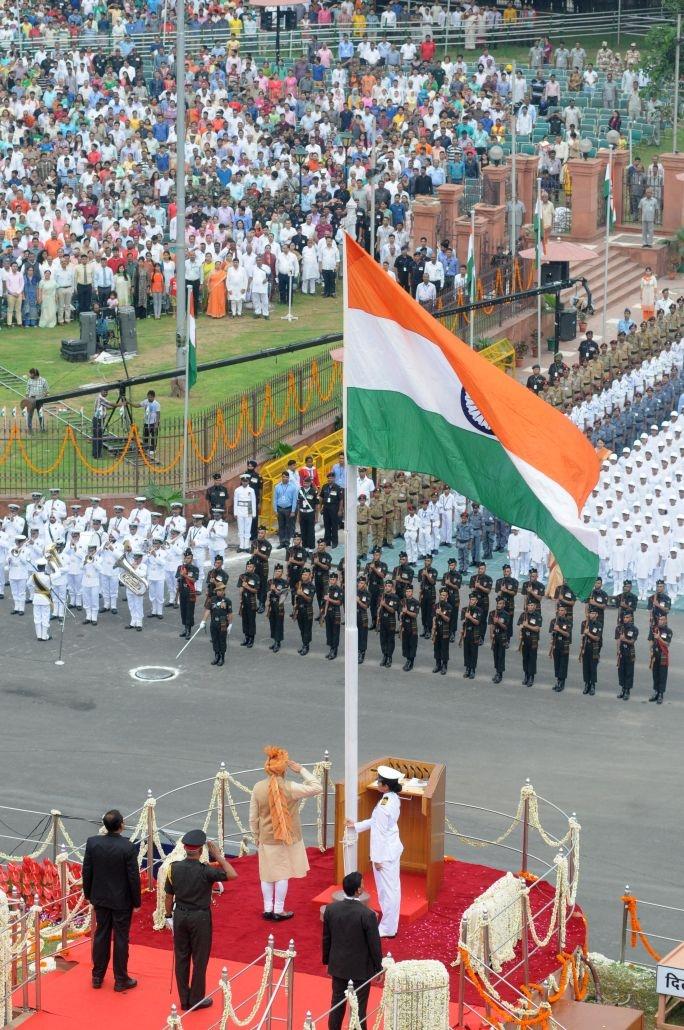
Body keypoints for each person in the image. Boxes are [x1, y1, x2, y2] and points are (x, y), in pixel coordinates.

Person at [164, 829, 237, 1011]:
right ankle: (196, 999)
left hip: (180, 915)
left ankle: (184, 999)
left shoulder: (173, 868)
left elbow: (168, 896)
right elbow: (232, 874)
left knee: (181, 957)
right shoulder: (206, 871)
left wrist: (168, 916)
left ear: (185, 848)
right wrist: (218, 856)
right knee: (200, 958)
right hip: (200, 917)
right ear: (201, 850)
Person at [249, 747, 323, 920]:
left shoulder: (258, 787)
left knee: (267, 874)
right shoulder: (291, 787)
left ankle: (267, 908)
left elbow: (253, 817)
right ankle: (278, 909)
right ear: (284, 769)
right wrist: (301, 770)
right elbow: (317, 786)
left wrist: (256, 836)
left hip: (266, 837)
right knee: (282, 873)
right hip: (287, 836)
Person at [82, 809, 141, 992]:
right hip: (122, 901)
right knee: (121, 938)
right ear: (121, 825)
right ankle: (121, 979)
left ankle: (97, 976)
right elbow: (133, 877)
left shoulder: (93, 843)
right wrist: (137, 901)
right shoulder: (128, 847)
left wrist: (88, 894)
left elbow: (87, 871)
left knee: (101, 935)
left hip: (100, 898)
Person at [347, 765, 404, 939]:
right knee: (393, 888)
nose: (377, 782)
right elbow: (375, 822)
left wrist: (376, 858)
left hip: (384, 854)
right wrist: (356, 826)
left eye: (379, 781)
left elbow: (379, 833)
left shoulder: (384, 805)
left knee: (387, 891)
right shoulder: (392, 798)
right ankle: (390, 924)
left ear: (385, 786)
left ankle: (387, 928)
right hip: (391, 849)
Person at [322, 871, 383, 1030]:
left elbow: (326, 938)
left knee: (337, 1005)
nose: (364, 885)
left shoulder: (331, 909)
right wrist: (379, 968)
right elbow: (374, 944)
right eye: (362, 883)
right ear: (358, 890)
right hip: (360, 970)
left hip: (338, 967)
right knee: (359, 1009)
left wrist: (327, 961)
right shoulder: (367, 914)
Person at [201, 582, 232, 666]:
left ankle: (222, 657)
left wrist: (230, 624)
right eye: (218, 590)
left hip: (223, 623)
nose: (219, 592)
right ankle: (216, 655)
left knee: (222, 640)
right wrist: (203, 621)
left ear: (224, 591)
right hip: (214, 622)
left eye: (221, 590)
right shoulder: (212, 599)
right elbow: (207, 610)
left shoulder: (227, 601)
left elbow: (229, 613)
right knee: (214, 640)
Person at [650, 614, 672, 704]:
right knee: (655, 674)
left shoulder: (668, 631)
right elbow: (652, 640)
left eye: (662, 619)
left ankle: (660, 694)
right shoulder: (655, 629)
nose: (660, 621)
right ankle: (656, 692)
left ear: (666, 620)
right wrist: (651, 650)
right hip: (655, 654)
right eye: (659, 619)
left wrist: (659, 638)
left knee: (662, 675)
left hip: (663, 655)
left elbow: (667, 644)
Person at [616, 608, 638, 700]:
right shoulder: (619, 628)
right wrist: (618, 651)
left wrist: (624, 639)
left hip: (629, 652)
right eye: (624, 617)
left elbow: (632, 641)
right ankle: (622, 688)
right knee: (621, 671)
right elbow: (617, 640)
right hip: (622, 652)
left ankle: (627, 690)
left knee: (629, 671)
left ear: (631, 618)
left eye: (627, 617)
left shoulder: (634, 629)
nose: (625, 619)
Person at [22, 368, 48, 434]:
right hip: (31, 400)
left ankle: (42, 429)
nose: (29, 375)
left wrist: (45, 395)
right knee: (30, 415)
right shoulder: (29, 380)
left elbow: (47, 390)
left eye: (30, 374)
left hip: (40, 400)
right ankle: (30, 430)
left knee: (40, 415)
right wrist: (27, 399)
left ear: (34, 374)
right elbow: (27, 391)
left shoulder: (43, 380)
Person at [137, 390, 160, 456]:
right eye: (148, 397)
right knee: (145, 436)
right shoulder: (145, 402)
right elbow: (138, 405)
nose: (149, 398)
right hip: (146, 422)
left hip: (153, 422)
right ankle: (146, 448)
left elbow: (158, 414)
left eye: (151, 397)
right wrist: (130, 403)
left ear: (154, 397)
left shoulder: (157, 404)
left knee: (153, 436)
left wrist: (156, 423)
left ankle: (153, 449)